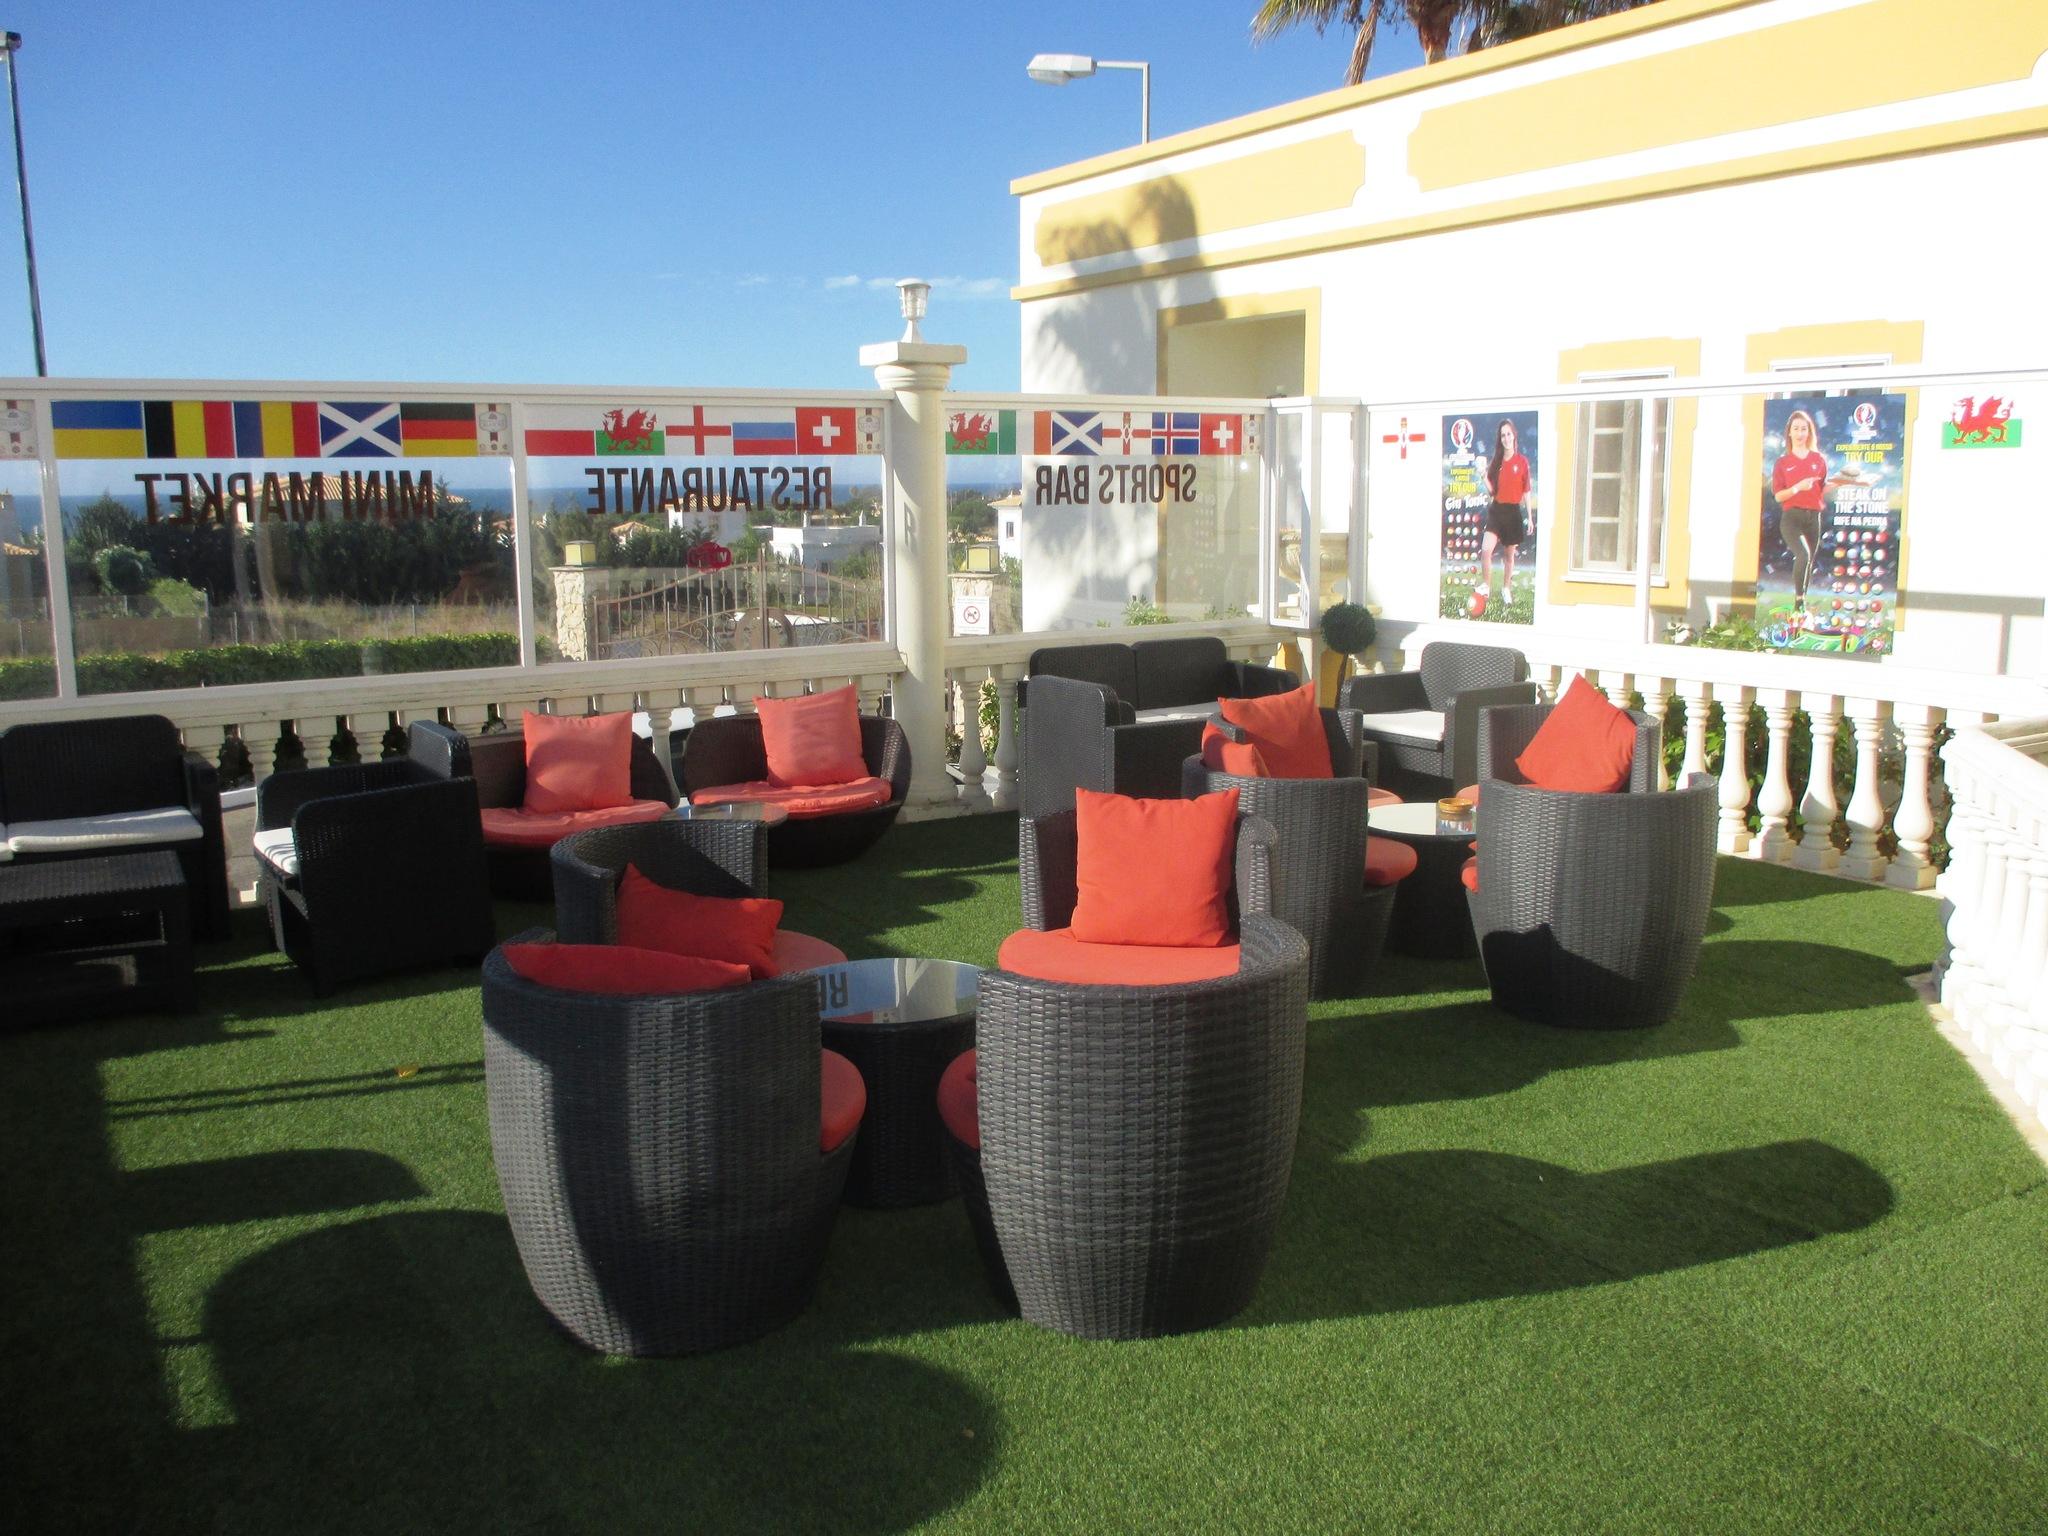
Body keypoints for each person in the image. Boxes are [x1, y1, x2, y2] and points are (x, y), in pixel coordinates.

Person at [1769, 408, 1828, 616]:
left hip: (1813, 517)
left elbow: (1821, 489)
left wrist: (1847, 481)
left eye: (1804, 429)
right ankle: (1799, 602)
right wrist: (1797, 488)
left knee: (1809, 560)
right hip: (1792, 517)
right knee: (1803, 554)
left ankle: (1802, 602)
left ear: (1809, 432)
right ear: (1789, 432)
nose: (1800, 433)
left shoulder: (1818, 459)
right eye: (1796, 429)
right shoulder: (1783, 463)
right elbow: (1778, 496)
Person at [1477, 419, 1529, 607]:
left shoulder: (1522, 462)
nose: (1506, 438)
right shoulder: (1496, 462)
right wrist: (1484, 476)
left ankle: (1506, 589)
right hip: (1497, 511)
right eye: (1503, 435)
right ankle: (1486, 586)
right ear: (1500, 439)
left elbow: (1526, 490)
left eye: (1508, 434)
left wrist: (1530, 518)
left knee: (1509, 557)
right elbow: (1492, 491)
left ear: (1514, 435)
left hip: (1513, 512)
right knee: (1486, 550)